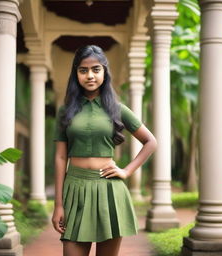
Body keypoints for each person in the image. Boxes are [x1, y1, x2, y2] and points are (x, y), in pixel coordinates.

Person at [51, 45, 157, 256]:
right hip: (76, 190)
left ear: (104, 72)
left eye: (96, 69)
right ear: (76, 74)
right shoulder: (65, 111)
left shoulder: (117, 109)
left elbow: (150, 142)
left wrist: (126, 171)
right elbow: (61, 157)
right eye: (83, 70)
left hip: (108, 190)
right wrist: (58, 205)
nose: (90, 75)